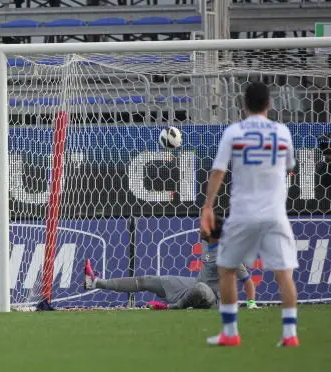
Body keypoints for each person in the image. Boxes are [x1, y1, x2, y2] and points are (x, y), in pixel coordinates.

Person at [201, 81, 299, 347]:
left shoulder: (235, 132)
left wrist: (208, 206)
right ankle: (290, 335)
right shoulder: (282, 132)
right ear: (270, 104)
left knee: (226, 269)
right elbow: (290, 166)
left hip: (243, 213)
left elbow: (219, 171)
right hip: (275, 214)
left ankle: (230, 332)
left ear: (243, 105)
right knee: (284, 274)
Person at [84, 215, 258, 310]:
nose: (199, 228)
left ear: (211, 232)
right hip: (194, 284)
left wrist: (251, 304)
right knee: (150, 280)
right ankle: (96, 282)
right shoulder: (206, 242)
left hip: (212, 298)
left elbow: (247, 281)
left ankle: (172, 307)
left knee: (200, 290)